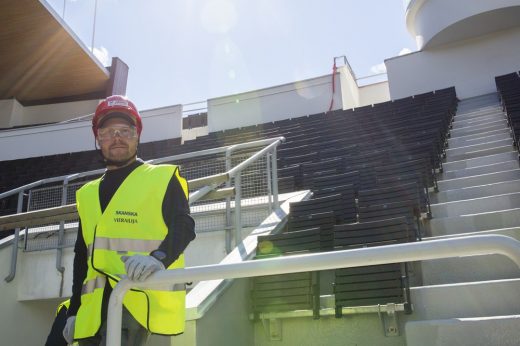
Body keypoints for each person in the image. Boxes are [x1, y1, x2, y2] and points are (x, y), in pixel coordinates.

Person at [63, 95, 195, 345]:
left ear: (137, 136)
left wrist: (158, 258)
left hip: (134, 299)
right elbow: (82, 256)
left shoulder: (161, 178)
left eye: (125, 131)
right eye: (109, 132)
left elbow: (184, 225)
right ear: (98, 139)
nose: (117, 137)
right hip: (92, 311)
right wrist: (74, 311)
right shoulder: (88, 194)